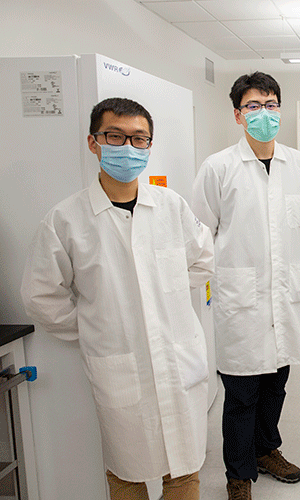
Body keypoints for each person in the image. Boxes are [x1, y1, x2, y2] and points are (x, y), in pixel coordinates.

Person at [20, 97, 214, 500]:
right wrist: (96, 326)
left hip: (179, 362)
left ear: (149, 145)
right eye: (115, 136)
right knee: (126, 473)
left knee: (185, 470)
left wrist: (164, 297)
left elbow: (202, 261)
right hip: (120, 366)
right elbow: (40, 296)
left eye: (139, 138)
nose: (128, 147)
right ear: (93, 142)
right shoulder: (67, 219)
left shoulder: (170, 205)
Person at [192, 72, 300, 499]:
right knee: (241, 393)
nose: (264, 113)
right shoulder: (219, 167)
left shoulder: (299, 165)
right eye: (254, 106)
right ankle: (238, 473)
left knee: (276, 385)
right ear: (238, 115)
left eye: (271, 104)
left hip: (286, 298)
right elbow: (200, 236)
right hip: (241, 301)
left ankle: (266, 450)